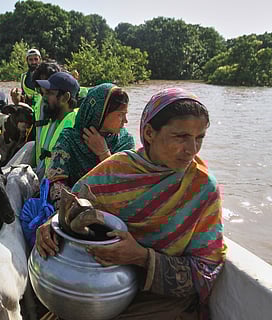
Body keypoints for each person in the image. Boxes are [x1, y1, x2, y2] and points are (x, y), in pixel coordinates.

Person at [36, 88, 227, 319]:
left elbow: (204, 272)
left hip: (158, 302)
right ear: (149, 133)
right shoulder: (116, 169)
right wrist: (51, 226)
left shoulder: (202, 187)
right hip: (97, 289)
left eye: (199, 138)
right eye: (181, 137)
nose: (192, 149)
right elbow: (72, 206)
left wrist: (141, 257)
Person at [46, 83, 135, 205]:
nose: (125, 121)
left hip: (112, 209)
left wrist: (104, 154)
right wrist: (72, 207)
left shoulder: (125, 142)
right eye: (120, 114)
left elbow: (126, 186)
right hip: (71, 209)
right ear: (100, 114)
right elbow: (55, 182)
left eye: (125, 114)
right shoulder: (70, 139)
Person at [34, 71, 80, 179]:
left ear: (65, 98)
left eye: (49, 93)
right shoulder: (52, 120)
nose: (44, 98)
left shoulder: (74, 125)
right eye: (44, 93)